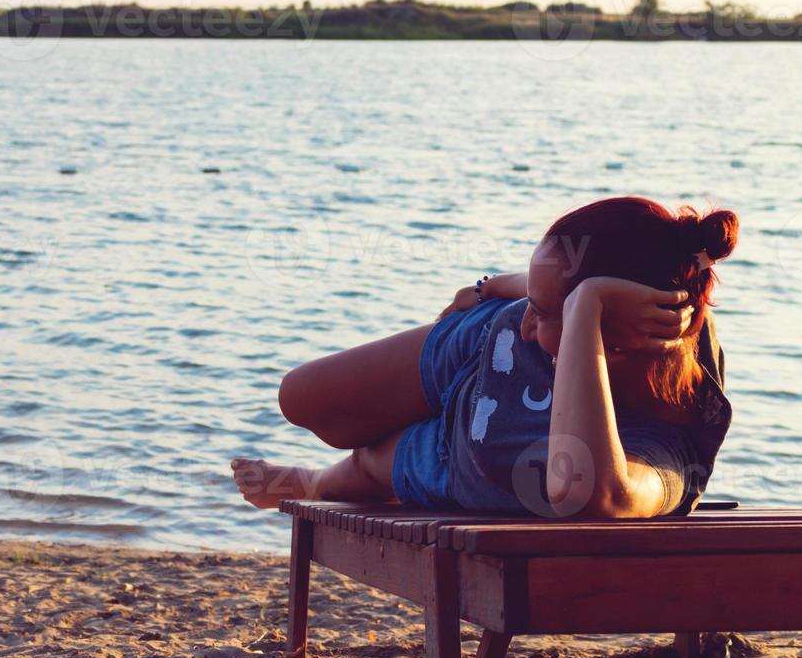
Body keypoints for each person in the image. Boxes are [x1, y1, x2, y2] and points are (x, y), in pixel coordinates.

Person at [231, 197, 737, 519]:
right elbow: (556, 287)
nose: (528, 323)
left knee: (367, 466)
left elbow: (589, 499)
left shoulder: (667, 445)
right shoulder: (643, 297)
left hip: (470, 451)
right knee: (300, 398)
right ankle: (327, 472)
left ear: (612, 334)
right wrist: (498, 287)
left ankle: (312, 483)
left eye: (544, 313)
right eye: (534, 308)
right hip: (481, 346)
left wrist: (585, 307)